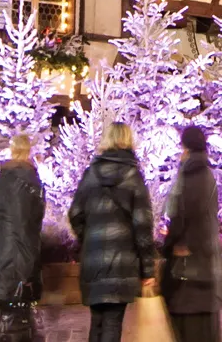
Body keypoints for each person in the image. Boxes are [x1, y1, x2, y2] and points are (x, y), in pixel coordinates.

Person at [68, 123, 155, 342]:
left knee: (96, 321)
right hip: (122, 261)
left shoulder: (91, 174)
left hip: (94, 258)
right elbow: (143, 225)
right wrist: (148, 270)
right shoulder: (133, 177)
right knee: (113, 322)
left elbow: (75, 213)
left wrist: (88, 238)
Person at [0, 135, 45, 342]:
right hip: (22, 250)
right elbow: (35, 219)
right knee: (20, 310)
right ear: (29, 152)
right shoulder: (32, 181)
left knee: (6, 310)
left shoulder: (1, 179)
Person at [161, 126, 221, 342]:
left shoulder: (191, 174)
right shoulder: (206, 173)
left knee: (190, 329)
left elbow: (182, 215)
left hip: (190, 268)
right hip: (204, 264)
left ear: (185, 147)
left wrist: (169, 245)